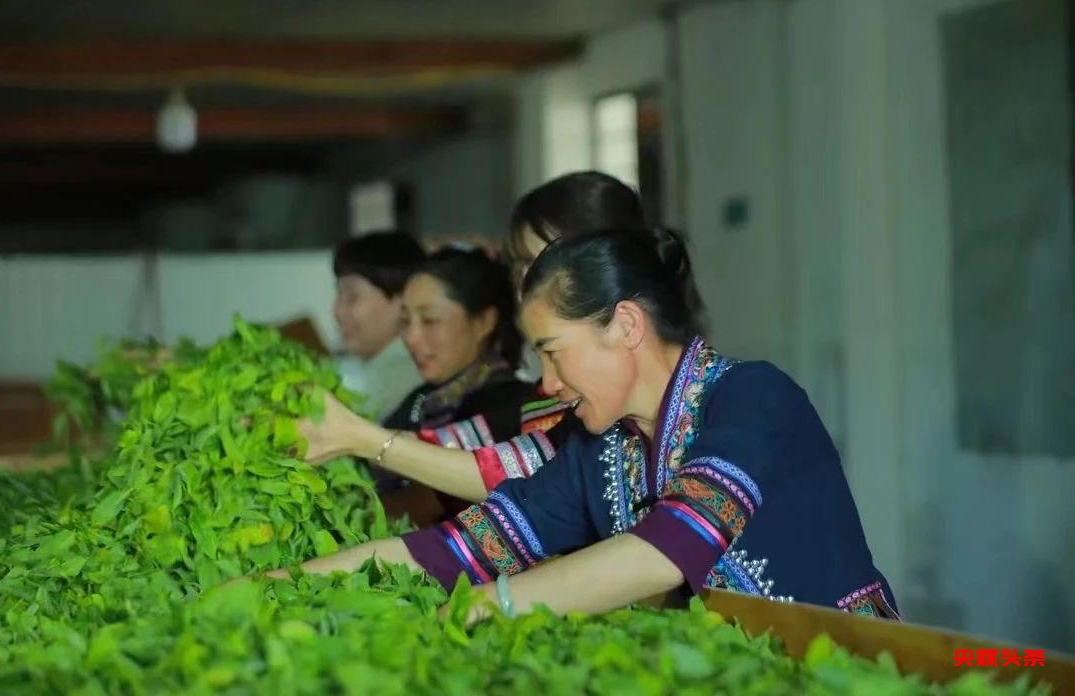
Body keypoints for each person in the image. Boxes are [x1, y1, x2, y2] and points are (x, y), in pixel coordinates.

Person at [268, 229, 899, 622]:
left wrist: (503, 602)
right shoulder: (602, 447)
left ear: (625, 326)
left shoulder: (751, 397)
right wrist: (276, 586)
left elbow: (668, 551)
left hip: (840, 668)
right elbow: (454, 550)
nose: (544, 382)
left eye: (552, 349)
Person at [300, 171, 663, 504]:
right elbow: (510, 492)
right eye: (519, 267)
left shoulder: (702, 404)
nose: (524, 285)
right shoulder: (539, 406)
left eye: (430, 320)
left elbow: (518, 497)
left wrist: (363, 439)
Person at [375, 245, 533, 519]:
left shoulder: (511, 406)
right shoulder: (422, 397)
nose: (411, 338)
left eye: (430, 320)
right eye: (404, 320)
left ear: (484, 321)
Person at [332, 231, 425, 422]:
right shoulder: (378, 368)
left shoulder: (399, 378)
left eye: (352, 297)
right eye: (339, 294)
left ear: (403, 300)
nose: (337, 311)